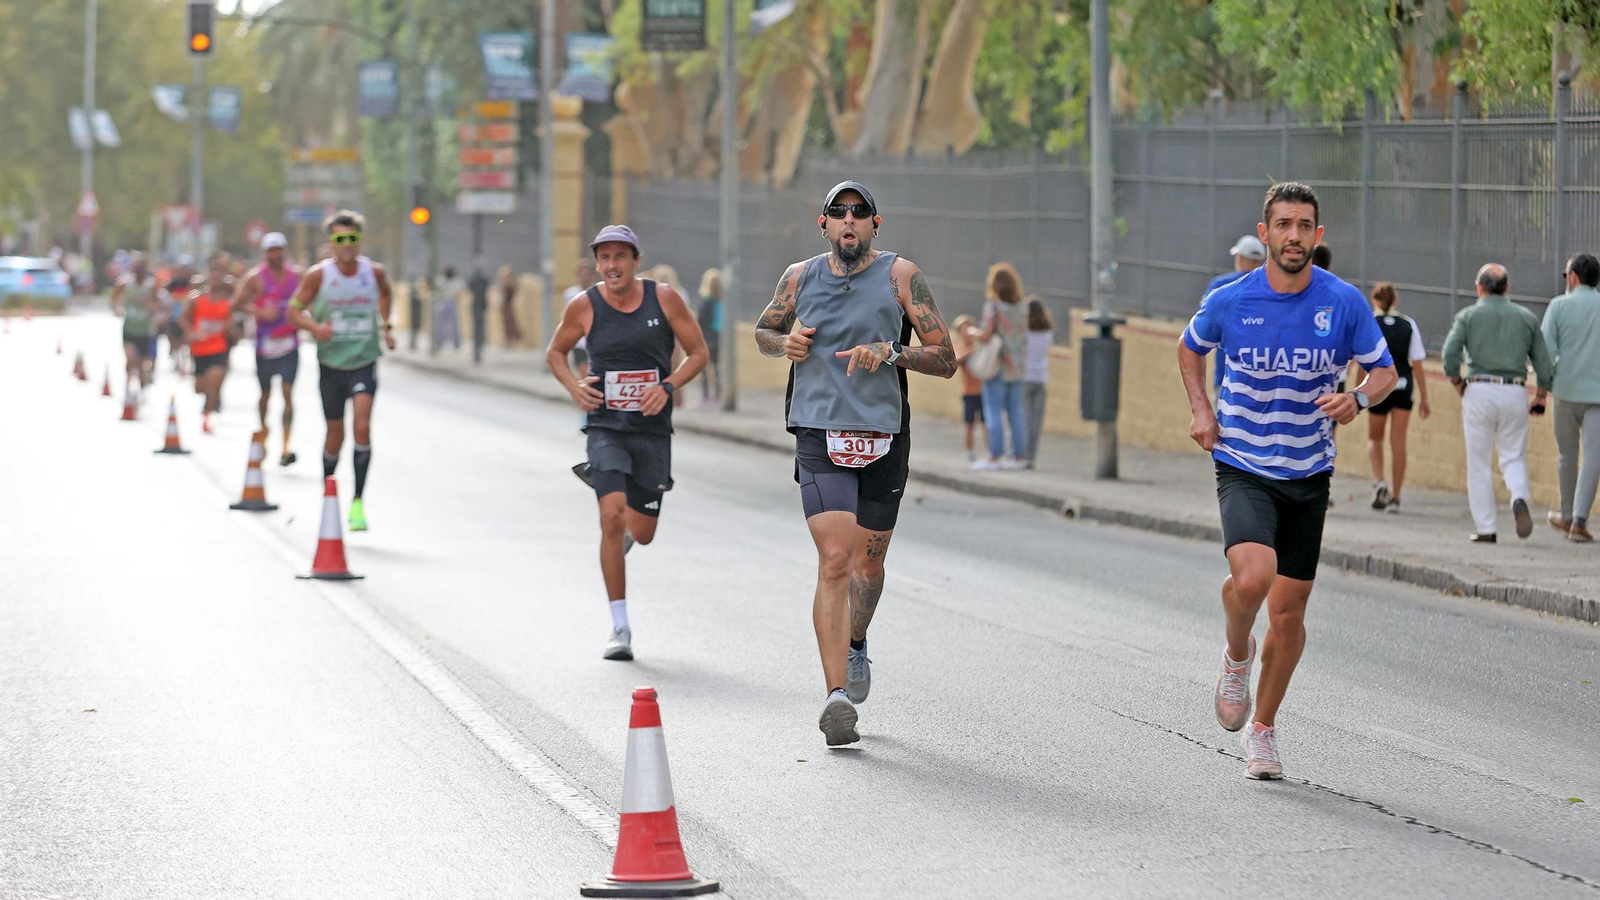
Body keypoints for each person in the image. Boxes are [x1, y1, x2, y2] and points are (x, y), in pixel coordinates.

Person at [1178, 182, 1396, 780]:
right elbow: (1189, 347)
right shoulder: (1233, 297)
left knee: (1291, 615)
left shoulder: (1343, 302)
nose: (1294, 235)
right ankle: (1234, 655)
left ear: (1317, 236)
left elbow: (1385, 372)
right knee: (1253, 577)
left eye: (1305, 226)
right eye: (1284, 225)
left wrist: (1358, 399)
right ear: (1267, 231)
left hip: (1309, 471)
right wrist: (1202, 410)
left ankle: (1263, 730)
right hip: (1244, 460)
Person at [754, 180, 957, 747]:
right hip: (818, 429)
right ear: (823, 224)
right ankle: (835, 697)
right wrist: (785, 344)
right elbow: (764, 331)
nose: (849, 220)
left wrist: (892, 351)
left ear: (875, 223)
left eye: (859, 212)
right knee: (836, 560)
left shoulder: (900, 278)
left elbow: (946, 359)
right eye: (838, 213)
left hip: (883, 434)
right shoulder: (798, 277)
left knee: (868, 570)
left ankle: (857, 640)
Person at [546, 225, 709, 662]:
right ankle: (620, 626)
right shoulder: (585, 305)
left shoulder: (664, 299)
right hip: (605, 426)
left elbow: (698, 353)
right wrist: (575, 387)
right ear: (597, 263)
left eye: (621, 256)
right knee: (611, 515)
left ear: (636, 261)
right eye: (605, 257)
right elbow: (555, 353)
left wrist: (668, 387)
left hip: (652, 429)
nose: (612, 265)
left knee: (643, 531)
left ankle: (620, 538)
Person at [287, 210, 396, 533]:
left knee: (362, 426)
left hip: (363, 360)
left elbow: (386, 294)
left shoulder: (373, 273)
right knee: (335, 433)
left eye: (352, 239)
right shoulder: (318, 276)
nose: (346, 246)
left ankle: (358, 501)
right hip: (331, 365)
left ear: (359, 240)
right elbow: (294, 311)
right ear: (330, 242)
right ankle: (329, 492)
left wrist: (386, 325)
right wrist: (315, 327)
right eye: (339, 239)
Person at [1441, 264, 1553, 543]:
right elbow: (1544, 363)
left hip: (1479, 389)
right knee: (1513, 456)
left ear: (1479, 287)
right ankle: (1518, 497)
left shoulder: (1468, 316)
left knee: (1478, 463)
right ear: (1508, 287)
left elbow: (1449, 354)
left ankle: (1486, 528)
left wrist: (1457, 381)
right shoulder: (1526, 317)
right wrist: (1540, 394)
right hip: (1515, 391)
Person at [1358, 283, 1430, 512]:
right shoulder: (1408, 324)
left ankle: (1380, 481)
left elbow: (1362, 359)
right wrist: (1425, 398)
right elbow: (1417, 364)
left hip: (1378, 389)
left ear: (1375, 301)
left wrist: (1358, 391)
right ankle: (1396, 498)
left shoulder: (1370, 323)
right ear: (1395, 301)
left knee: (1375, 439)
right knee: (1398, 442)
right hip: (1403, 387)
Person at [1543, 253, 1600, 543]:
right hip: (1598, 396)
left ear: (1574, 277)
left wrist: (1545, 385)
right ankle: (1579, 521)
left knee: (1567, 455)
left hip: (1564, 391)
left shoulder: (1558, 306)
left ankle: (1566, 516)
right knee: (1593, 457)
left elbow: (1545, 352)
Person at [235, 232, 301, 465]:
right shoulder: (256, 278)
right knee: (265, 394)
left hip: (290, 343)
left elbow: (309, 300)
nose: (276, 255)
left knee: (287, 392)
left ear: (285, 251)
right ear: (265, 254)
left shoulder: (296, 276)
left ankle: (286, 447)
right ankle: (263, 431)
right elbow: (238, 303)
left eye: (279, 250)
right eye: (271, 251)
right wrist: (260, 312)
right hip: (265, 345)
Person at [969, 262, 1029, 470]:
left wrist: (972, 333)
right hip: (1018, 366)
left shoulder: (993, 306)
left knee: (993, 411)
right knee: (1016, 412)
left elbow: (986, 334)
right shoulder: (1023, 307)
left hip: (997, 365)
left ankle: (995, 456)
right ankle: (1019, 457)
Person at [1204, 236, 1268, 392]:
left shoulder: (1221, 286)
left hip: (1227, 378)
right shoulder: (1274, 290)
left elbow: (1203, 327)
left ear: (1239, 258)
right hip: (1266, 381)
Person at [183, 260, 236, 434]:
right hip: (199, 350)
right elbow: (182, 319)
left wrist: (231, 329)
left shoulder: (227, 302)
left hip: (218, 348)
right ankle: (207, 400)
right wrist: (191, 332)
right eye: (212, 276)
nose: (215, 279)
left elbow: (231, 324)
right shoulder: (196, 299)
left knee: (214, 384)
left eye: (219, 276)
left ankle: (207, 417)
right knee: (199, 388)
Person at [110, 253, 164, 390]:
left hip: (145, 329)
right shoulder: (124, 283)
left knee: (141, 363)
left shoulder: (152, 285)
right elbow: (114, 298)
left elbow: (159, 304)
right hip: (129, 326)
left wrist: (149, 305)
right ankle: (127, 385)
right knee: (130, 358)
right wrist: (117, 309)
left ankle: (142, 385)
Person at [1021, 296, 1053, 468]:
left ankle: (1020, 454)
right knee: (1036, 422)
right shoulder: (1048, 333)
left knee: (1024, 419)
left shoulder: (1024, 333)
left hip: (1025, 379)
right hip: (1041, 379)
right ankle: (1031, 458)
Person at [951, 315, 987, 461]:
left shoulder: (980, 346)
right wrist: (972, 349)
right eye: (963, 330)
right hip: (968, 392)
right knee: (969, 425)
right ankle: (970, 452)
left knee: (986, 424)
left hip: (983, 391)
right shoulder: (960, 349)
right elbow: (956, 361)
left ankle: (989, 452)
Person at [697, 268, 723, 405]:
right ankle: (718, 394)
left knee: (705, 369)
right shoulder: (723, 302)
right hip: (720, 338)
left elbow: (699, 320)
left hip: (707, 338)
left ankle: (706, 396)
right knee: (718, 368)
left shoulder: (706, 302)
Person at [432, 266, 463, 353]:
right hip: (444, 301)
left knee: (453, 325)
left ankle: (455, 344)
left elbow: (459, 292)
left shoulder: (456, 281)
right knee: (440, 325)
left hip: (451, 302)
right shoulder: (441, 280)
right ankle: (439, 343)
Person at [469, 264, 491, 364]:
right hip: (480, 307)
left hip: (478, 307)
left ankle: (479, 347)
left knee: (478, 328)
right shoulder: (482, 281)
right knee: (479, 328)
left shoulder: (476, 281)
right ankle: (478, 347)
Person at [497, 265, 523, 345]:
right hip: (505, 306)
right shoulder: (504, 284)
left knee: (511, 325)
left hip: (509, 306)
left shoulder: (511, 284)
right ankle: (508, 341)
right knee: (506, 325)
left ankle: (513, 341)